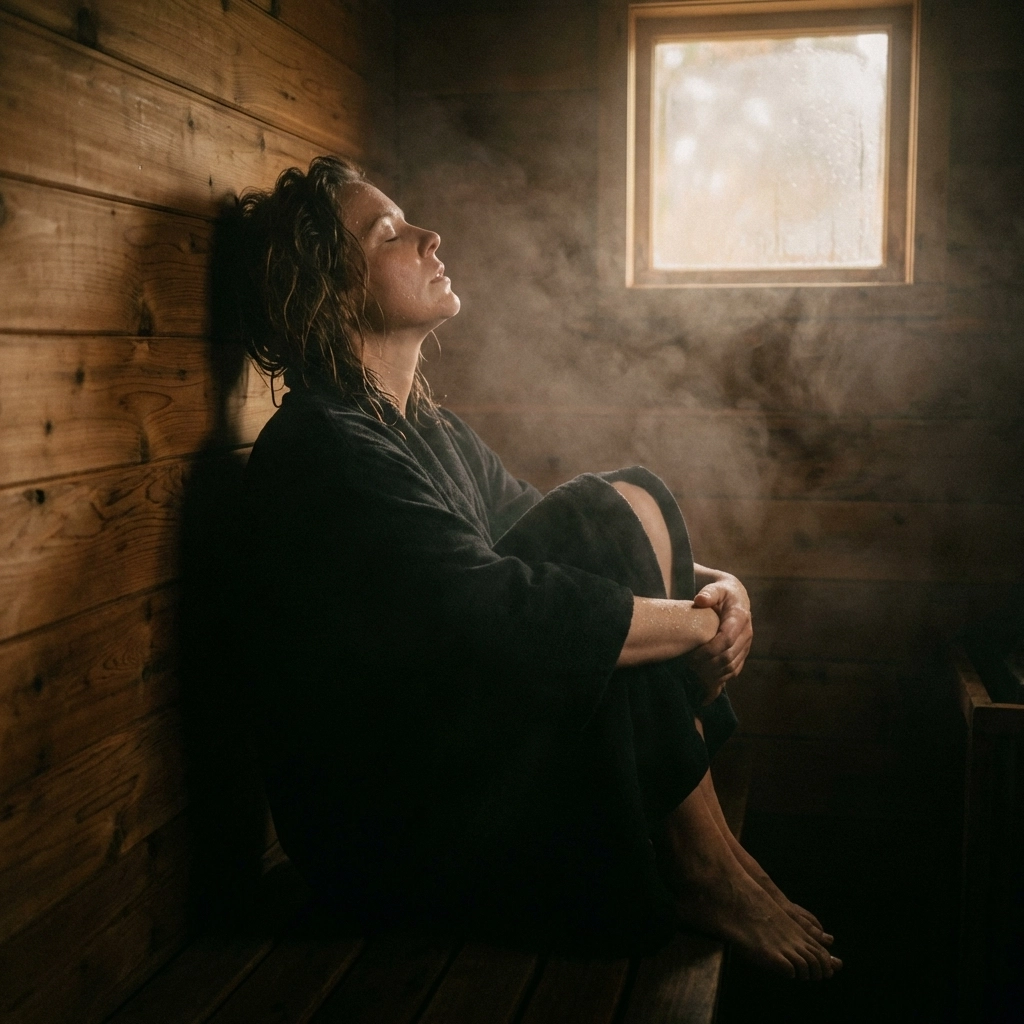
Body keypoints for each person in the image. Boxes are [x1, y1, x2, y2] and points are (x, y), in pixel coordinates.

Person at [231, 156, 840, 980]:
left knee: (626, 498)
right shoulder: (325, 450)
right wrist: (694, 626)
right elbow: (500, 610)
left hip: (460, 771)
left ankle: (709, 851)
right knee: (600, 512)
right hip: (389, 841)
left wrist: (719, 591)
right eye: (388, 232)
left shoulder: (423, 428)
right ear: (329, 288)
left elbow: (534, 528)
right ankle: (704, 864)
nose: (428, 236)